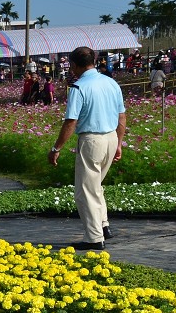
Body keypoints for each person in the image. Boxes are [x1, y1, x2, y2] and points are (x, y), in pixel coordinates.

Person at [47, 46, 126, 251]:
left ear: (73, 65)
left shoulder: (79, 87)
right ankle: (103, 225)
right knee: (95, 185)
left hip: (92, 140)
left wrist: (56, 148)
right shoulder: (111, 83)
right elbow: (122, 116)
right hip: (110, 137)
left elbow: (70, 122)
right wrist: (118, 143)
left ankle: (94, 237)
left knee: (85, 191)